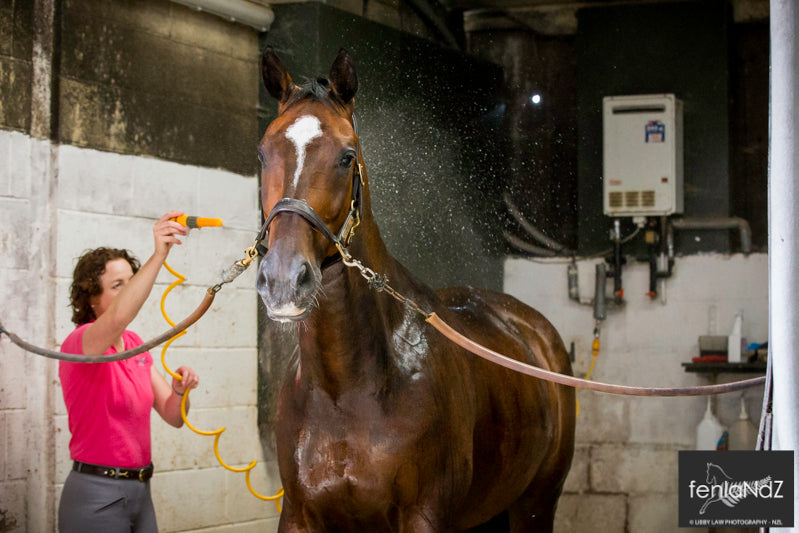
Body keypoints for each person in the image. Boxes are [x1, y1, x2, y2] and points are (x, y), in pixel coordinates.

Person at [58, 211, 200, 533]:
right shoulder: (80, 343)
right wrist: (159, 255)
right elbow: (119, 316)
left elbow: (174, 416)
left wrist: (180, 392)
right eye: (117, 285)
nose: (128, 290)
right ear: (92, 299)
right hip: (97, 495)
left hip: (140, 491)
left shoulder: (135, 345)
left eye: (131, 281)